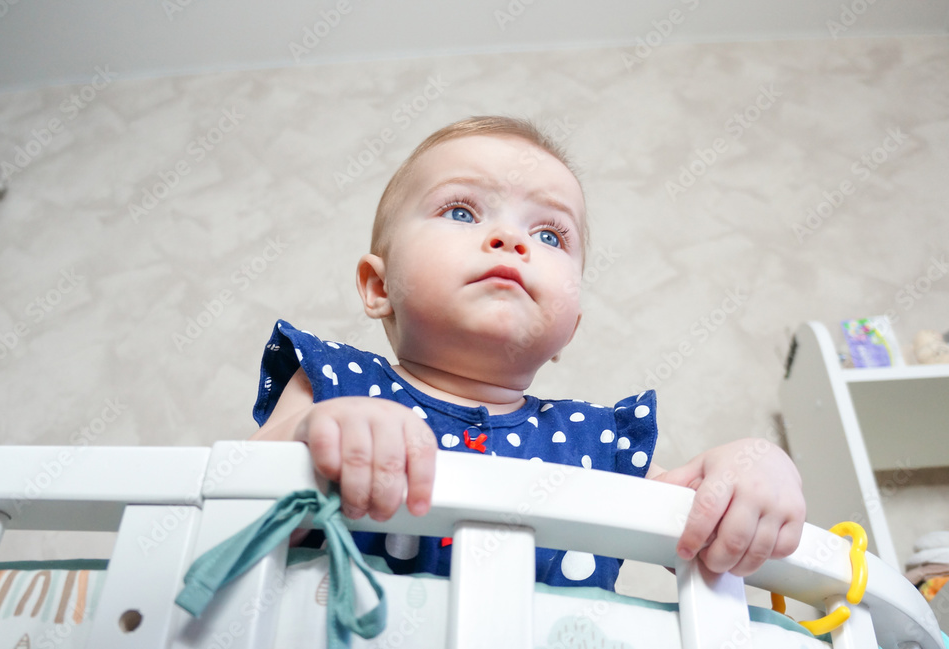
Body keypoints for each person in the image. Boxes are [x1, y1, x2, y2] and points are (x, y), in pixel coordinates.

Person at [250, 116, 805, 590]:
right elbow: (236, 496)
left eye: (550, 234)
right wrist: (320, 433)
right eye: (463, 212)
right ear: (379, 287)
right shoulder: (331, 380)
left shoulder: (598, 444)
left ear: (571, 329)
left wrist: (756, 467)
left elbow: (698, 523)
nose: (511, 240)